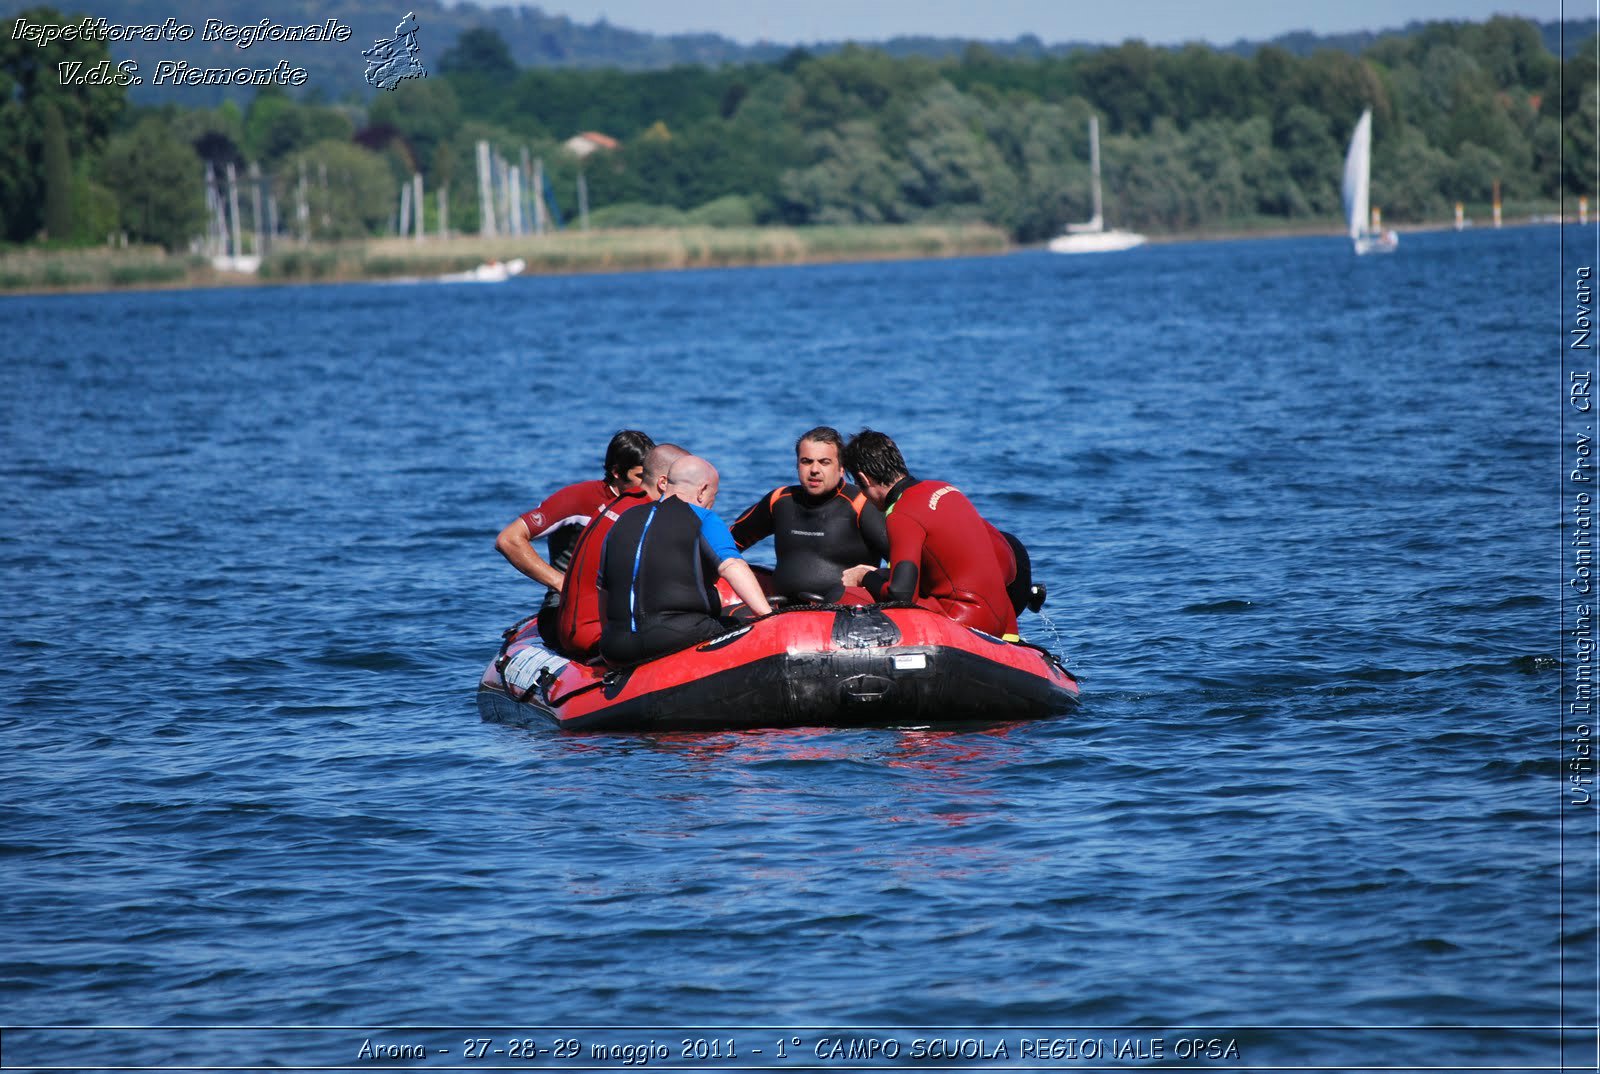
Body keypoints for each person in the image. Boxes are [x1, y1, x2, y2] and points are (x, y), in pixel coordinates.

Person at [840, 429, 1020, 639]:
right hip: (1001, 623)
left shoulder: (901, 514)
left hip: (963, 622)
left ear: (864, 479)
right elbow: (1004, 556)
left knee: (846, 596)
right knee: (882, 577)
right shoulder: (946, 490)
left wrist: (864, 576)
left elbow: (901, 595)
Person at [597, 455, 773, 666]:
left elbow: (604, 590)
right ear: (702, 491)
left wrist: (610, 644)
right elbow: (732, 565)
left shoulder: (622, 520)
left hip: (616, 646)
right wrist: (769, 617)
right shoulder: (703, 518)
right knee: (742, 621)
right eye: (713, 496)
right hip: (678, 636)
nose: (711, 503)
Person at [495, 429, 654, 649]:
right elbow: (509, 539)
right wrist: (561, 583)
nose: (647, 485)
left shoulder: (649, 502)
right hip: (566, 611)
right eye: (640, 477)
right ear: (617, 472)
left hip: (624, 606)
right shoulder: (578, 498)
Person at [552, 442, 689, 661]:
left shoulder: (620, 504)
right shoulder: (647, 515)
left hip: (574, 631)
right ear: (664, 483)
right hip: (596, 636)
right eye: (687, 483)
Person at [730, 426, 889, 603]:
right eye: (806, 461)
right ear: (797, 465)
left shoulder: (861, 504)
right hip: (783, 612)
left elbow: (902, 564)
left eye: (824, 462)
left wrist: (870, 577)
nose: (814, 469)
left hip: (846, 616)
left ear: (842, 468)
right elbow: (726, 545)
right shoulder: (780, 501)